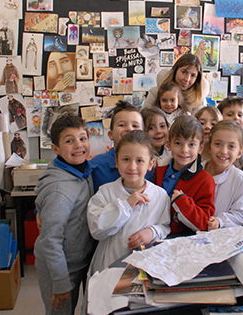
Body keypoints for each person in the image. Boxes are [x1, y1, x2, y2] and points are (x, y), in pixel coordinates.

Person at [34, 115, 94, 315]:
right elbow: (50, 240)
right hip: (59, 268)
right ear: (56, 149)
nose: (78, 145)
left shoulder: (80, 170)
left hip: (77, 260)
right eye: (69, 141)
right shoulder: (60, 190)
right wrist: (60, 282)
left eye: (83, 138)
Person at [87, 131, 170, 274]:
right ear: (117, 162)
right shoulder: (105, 192)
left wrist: (152, 232)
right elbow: (97, 230)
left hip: (145, 266)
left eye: (140, 161)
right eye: (126, 159)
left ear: (151, 163)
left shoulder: (160, 195)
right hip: (108, 266)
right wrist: (126, 204)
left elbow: (164, 227)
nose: (132, 167)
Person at [152, 115, 215, 236]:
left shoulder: (205, 180)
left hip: (182, 238)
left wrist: (181, 201)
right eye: (178, 143)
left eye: (191, 145)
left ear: (200, 148)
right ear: (169, 144)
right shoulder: (158, 170)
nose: (184, 150)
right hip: (154, 232)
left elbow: (204, 223)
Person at [204, 120, 243, 230]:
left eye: (231, 146)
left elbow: (241, 213)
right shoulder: (196, 171)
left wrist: (220, 221)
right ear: (209, 146)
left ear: (239, 152)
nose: (224, 151)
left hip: (221, 234)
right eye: (218, 144)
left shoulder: (240, 180)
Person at [90, 101, 143, 192]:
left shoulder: (148, 167)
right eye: (122, 125)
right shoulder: (95, 166)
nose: (129, 129)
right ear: (110, 135)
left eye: (135, 125)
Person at [143, 54, 209, 115]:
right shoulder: (155, 92)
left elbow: (199, 123)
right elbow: (144, 118)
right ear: (175, 70)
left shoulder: (198, 100)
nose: (187, 79)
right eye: (184, 72)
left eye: (193, 75)